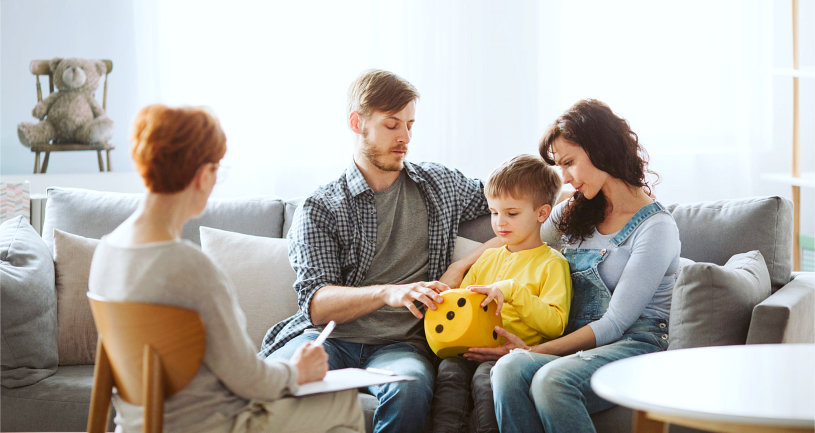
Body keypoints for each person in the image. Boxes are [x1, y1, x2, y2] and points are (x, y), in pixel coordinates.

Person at [88, 105, 365, 433]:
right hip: (211, 425)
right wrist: (297, 371)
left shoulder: (106, 251)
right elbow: (248, 378)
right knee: (343, 402)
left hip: (137, 424)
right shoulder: (191, 267)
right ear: (204, 175)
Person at [260, 69, 492, 433]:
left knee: (409, 388)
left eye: (410, 125)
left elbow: (514, 195)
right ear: (358, 123)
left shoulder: (440, 185)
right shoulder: (322, 206)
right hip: (330, 340)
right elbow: (316, 304)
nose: (405, 138)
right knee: (275, 380)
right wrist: (388, 292)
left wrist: (574, 192)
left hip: (401, 346)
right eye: (392, 125)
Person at [486, 99, 681, 433]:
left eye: (570, 162)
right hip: (581, 341)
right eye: (560, 166)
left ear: (600, 149)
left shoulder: (656, 228)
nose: (565, 177)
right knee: (507, 369)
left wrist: (534, 350)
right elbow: (516, 236)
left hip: (637, 342)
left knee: (551, 381)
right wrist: (458, 267)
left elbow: (616, 323)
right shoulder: (574, 211)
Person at [429, 154, 572, 433]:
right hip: (468, 349)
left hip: (508, 356)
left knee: (486, 380)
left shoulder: (552, 264)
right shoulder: (487, 258)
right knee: (448, 373)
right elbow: (464, 302)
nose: (500, 222)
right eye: (494, 212)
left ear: (542, 213)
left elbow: (555, 326)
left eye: (511, 213)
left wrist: (513, 292)